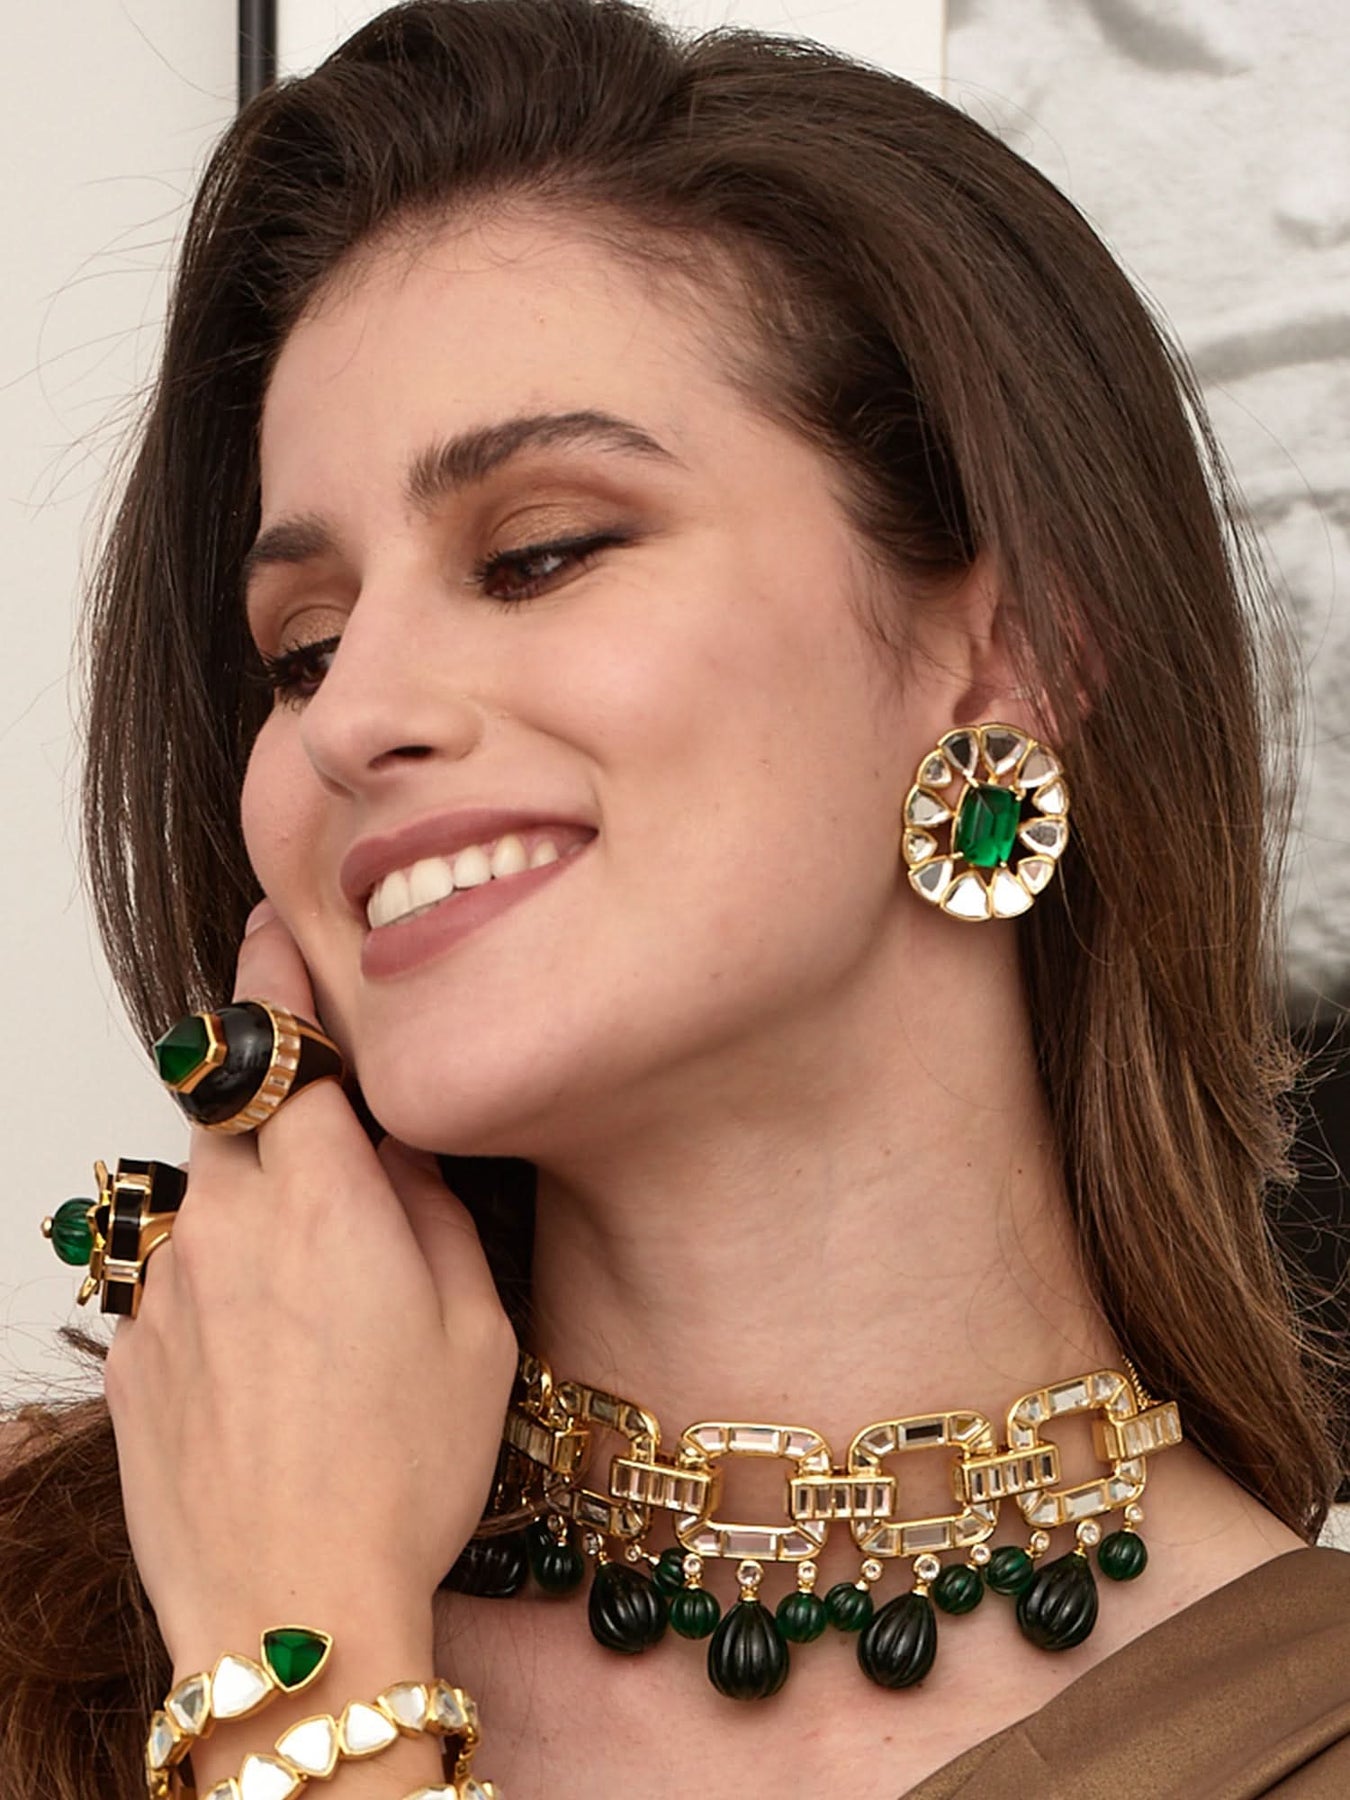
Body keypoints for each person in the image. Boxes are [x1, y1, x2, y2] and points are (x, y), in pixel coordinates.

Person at [1, 1, 1346, 1795]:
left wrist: (293, 1663)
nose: (352, 715)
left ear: (1004, 653)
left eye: (536, 553)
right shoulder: (37, 1623)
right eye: (300, 648)